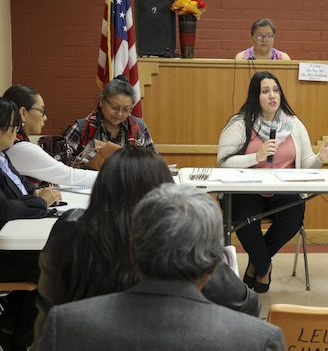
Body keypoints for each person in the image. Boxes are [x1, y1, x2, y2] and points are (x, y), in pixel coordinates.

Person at [34, 146, 260, 348]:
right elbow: (246, 305)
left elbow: (47, 304)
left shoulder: (69, 227)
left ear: (102, 186)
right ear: (164, 191)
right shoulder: (176, 238)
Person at [217, 71, 328, 293]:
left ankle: (256, 265)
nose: (272, 95)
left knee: (294, 213)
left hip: (283, 188)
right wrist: (256, 157)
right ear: (255, 96)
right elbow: (223, 163)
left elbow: (306, 163)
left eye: (276, 90)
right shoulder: (240, 123)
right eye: (265, 91)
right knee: (243, 216)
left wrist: (319, 159)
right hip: (246, 190)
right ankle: (264, 267)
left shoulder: (293, 124)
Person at [0, 97, 62, 351]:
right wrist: (41, 203)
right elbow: (3, 209)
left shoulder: (4, 156)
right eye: (14, 127)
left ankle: (11, 330)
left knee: (51, 257)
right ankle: (21, 340)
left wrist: (38, 195)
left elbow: (22, 187)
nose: (17, 134)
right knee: (50, 266)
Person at [3, 85, 97, 187]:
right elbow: (70, 176)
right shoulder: (20, 148)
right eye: (41, 111)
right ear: (23, 113)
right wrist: (111, 176)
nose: (45, 118)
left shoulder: (15, 145)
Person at [62, 75, 155, 165]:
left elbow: (153, 162)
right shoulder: (82, 127)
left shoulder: (139, 127)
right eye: (114, 107)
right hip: (92, 180)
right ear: (102, 101)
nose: (119, 114)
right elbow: (62, 160)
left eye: (126, 109)